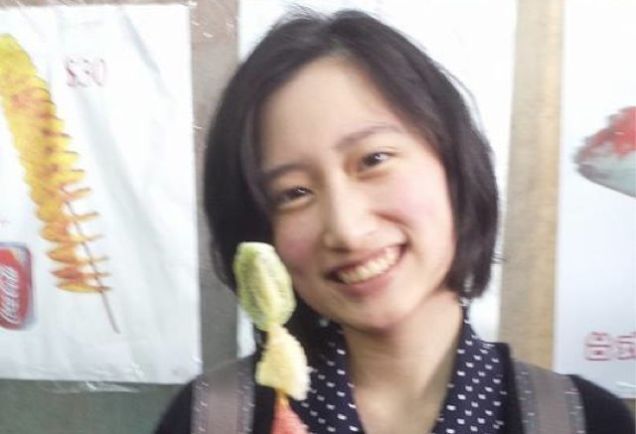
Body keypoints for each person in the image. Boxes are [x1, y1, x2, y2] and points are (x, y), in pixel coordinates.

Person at [156, 9, 634, 434]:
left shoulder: (587, 421)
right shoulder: (209, 419)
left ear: (452, 161)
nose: (346, 229)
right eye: (294, 193)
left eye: (374, 159)